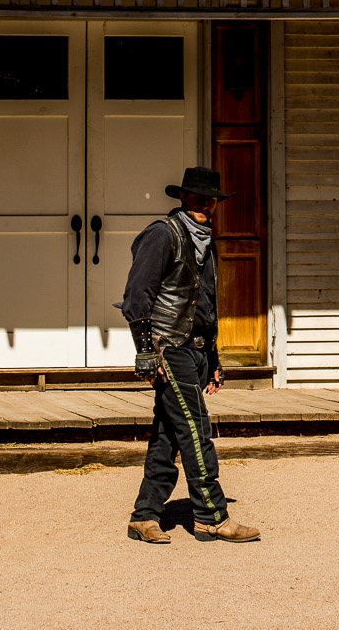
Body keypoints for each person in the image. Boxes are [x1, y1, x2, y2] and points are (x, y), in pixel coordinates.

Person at [120, 166, 260, 545]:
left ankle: (144, 516)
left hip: (195, 349)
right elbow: (137, 298)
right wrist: (146, 352)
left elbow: (206, 304)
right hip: (169, 348)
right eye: (197, 197)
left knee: (168, 435)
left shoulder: (206, 240)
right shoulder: (162, 234)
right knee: (196, 431)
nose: (204, 204)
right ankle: (212, 516)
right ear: (182, 198)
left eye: (210, 199)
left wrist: (214, 361)